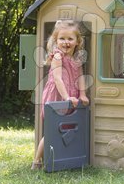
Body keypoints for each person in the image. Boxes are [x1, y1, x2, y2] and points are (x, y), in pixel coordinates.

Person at [31, 19, 90, 170]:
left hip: (71, 95)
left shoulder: (76, 58)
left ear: (77, 41)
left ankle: (63, 157)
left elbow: (80, 76)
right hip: (57, 95)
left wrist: (82, 94)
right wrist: (66, 98)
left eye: (70, 39)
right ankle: (37, 161)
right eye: (62, 38)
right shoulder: (58, 57)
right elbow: (57, 79)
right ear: (56, 40)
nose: (66, 42)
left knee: (67, 127)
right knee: (52, 129)